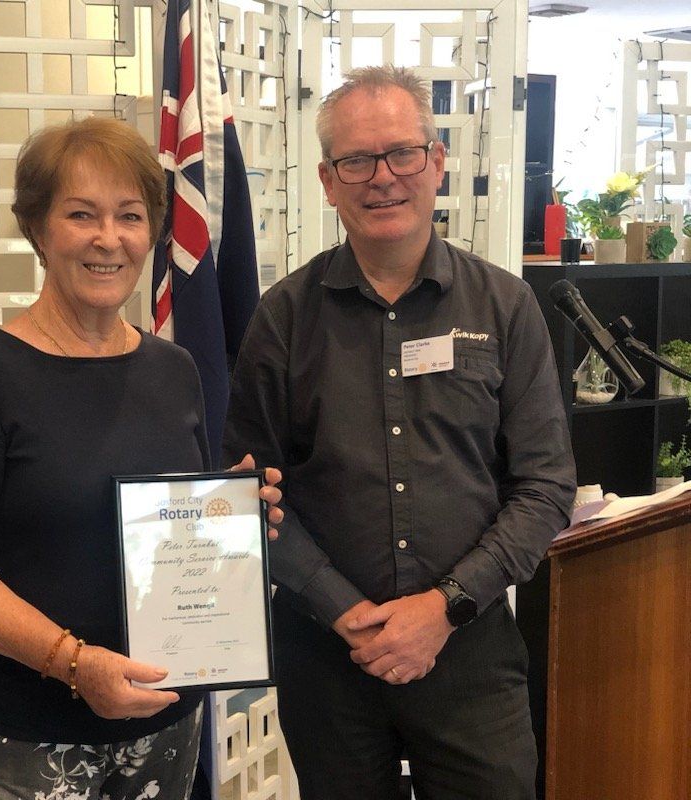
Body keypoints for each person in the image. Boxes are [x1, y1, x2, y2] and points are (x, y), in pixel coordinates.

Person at [0, 116, 282, 800]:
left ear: (153, 233)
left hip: (164, 725)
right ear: (39, 229)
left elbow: (164, 525)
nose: (109, 239)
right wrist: (73, 663)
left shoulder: (174, 369)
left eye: (130, 216)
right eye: (82, 214)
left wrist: (233, 519)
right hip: (22, 738)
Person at [223, 65, 576, 800]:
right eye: (355, 160)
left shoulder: (507, 308)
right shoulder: (282, 319)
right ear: (327, 180)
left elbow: (545, 487)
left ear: (436, 161)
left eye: (401, 153)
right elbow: (246, 498)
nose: (381, 177)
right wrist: (342, 610)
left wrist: (442, 609)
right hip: (327, 660)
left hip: (470, 653)